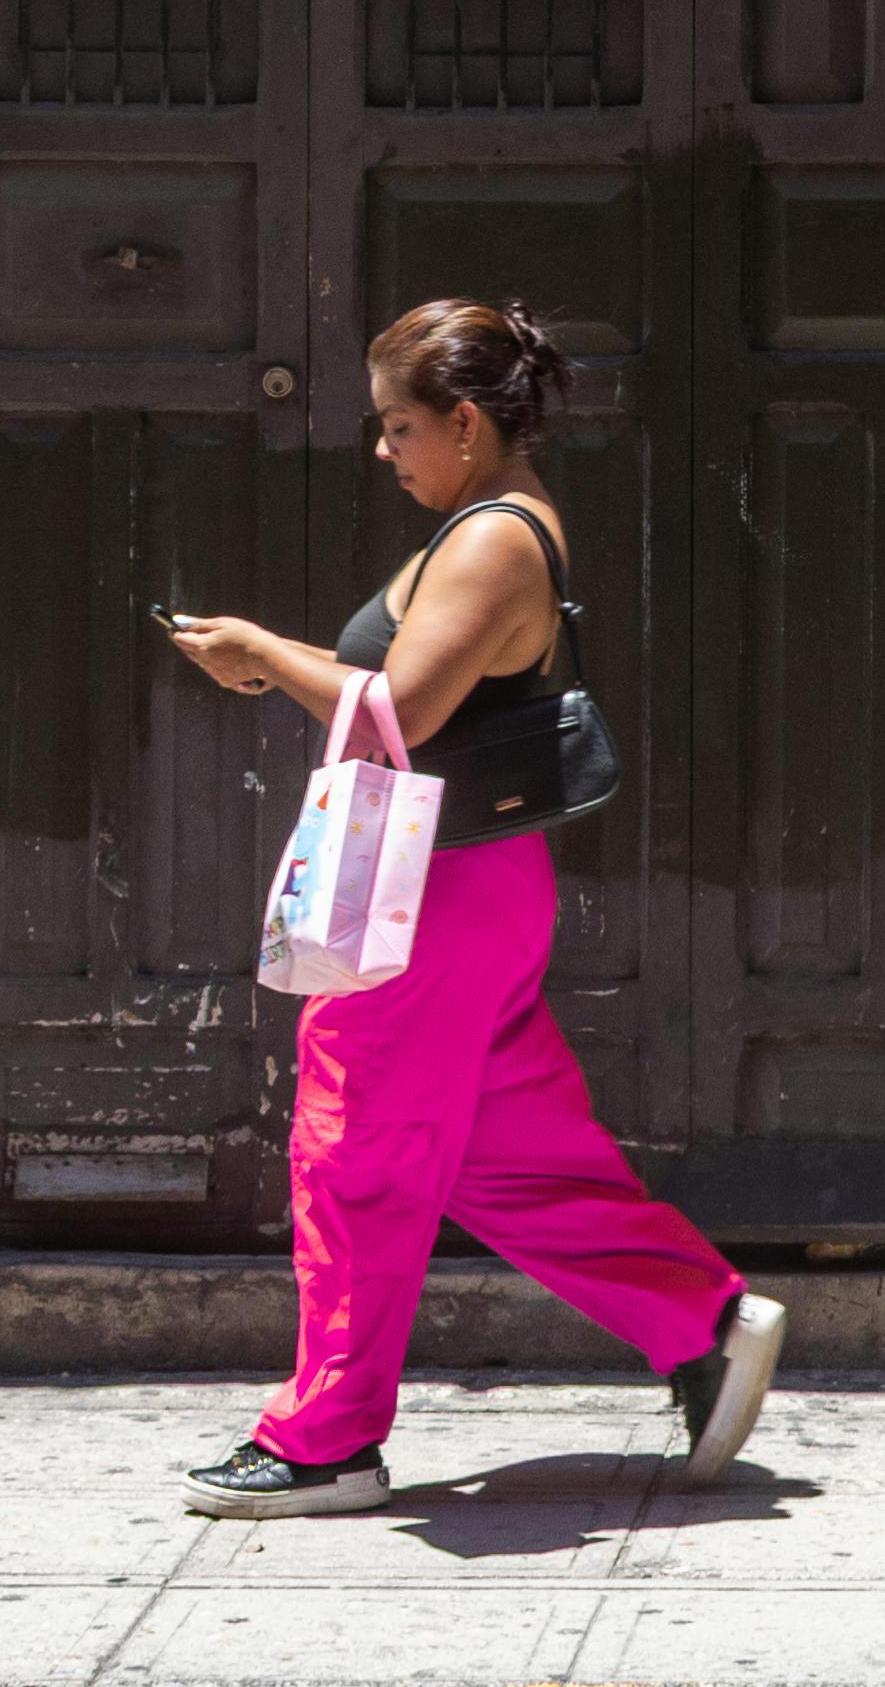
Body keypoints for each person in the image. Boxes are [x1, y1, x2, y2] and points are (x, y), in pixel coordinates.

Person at [155, 296, 785, 1516]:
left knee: (353, 1148)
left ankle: (324, 1438)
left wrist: (263, 650)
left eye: (398, 426)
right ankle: (698, 1318)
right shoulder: (482, 522)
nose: (381, 450)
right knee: (502, 1151)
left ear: (463, 421)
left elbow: (399, 716)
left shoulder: (492, 538)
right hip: (463, 884)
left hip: (427, 893)